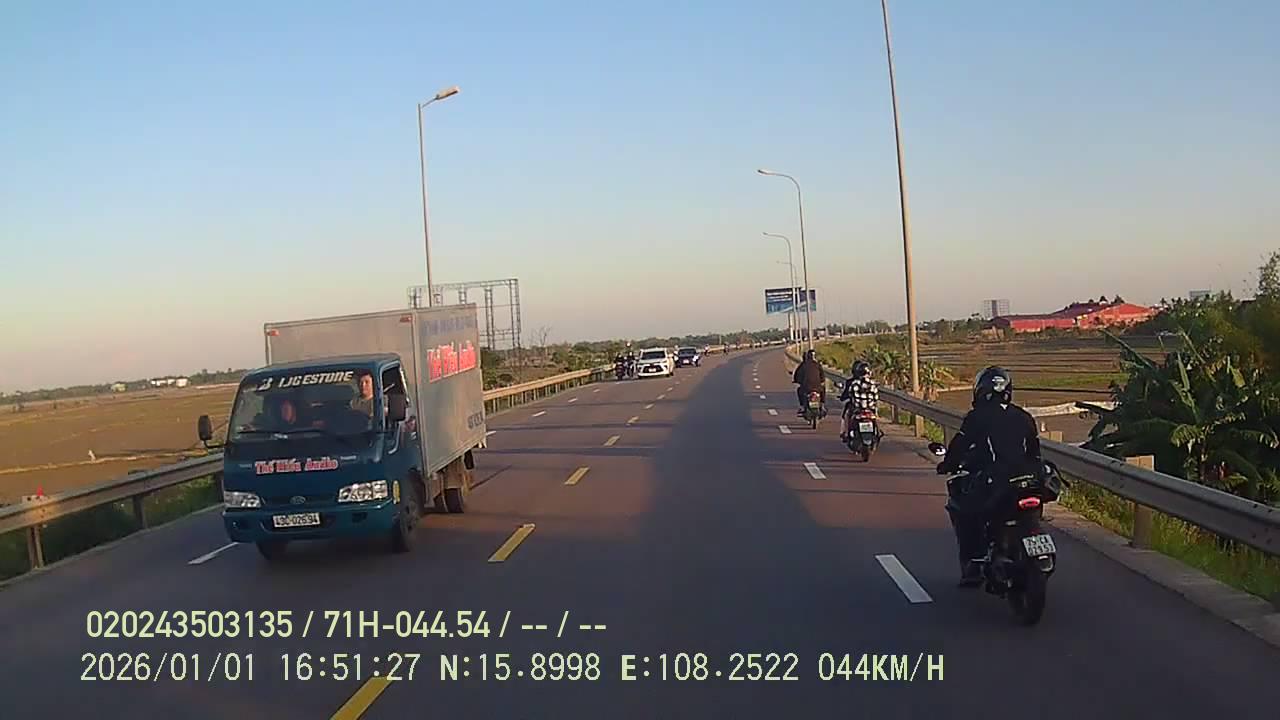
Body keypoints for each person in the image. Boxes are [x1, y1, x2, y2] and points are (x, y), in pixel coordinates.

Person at [936, 366, 1042, 587]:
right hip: (1028, 479)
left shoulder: (977, 417)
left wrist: (948, 464)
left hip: (995, 480)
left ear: (980, 390)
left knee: (963, 510)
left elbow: (960, 445)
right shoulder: (1024, 417)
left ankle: (973, 564)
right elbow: (1035, 452)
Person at [838, 360, 879, 442]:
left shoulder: (853, 383)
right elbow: (876, 397)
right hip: (870, 408)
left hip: (857, 408)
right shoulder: (872, 384)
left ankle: (845, 433)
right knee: (875, 415)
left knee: (846, 415)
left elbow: (850, 394)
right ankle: (877, 432)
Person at [792, 349, 825, 416]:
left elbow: (797, 375)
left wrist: (796, 381)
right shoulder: (817, 365)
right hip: (817, 387)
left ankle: (802, 406)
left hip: (806, 388)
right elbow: (822, 376)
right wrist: (820, 381)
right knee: (823, 389)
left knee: (799, 390)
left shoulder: (803, 365)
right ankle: (822, 404)